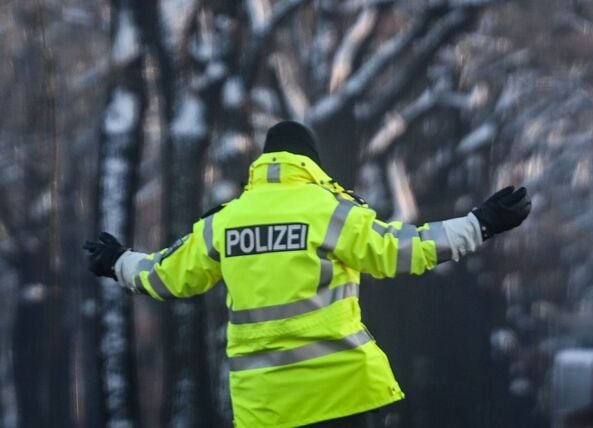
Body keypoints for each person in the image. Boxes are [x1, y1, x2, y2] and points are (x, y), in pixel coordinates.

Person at [83, 121, 532, 427]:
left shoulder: (224, 222)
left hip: (265, 409)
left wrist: (118, 261)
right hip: (347, 395)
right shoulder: (329, 211)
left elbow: (166, 275)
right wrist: (479, 224)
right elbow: (402, 250)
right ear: (311, 162)